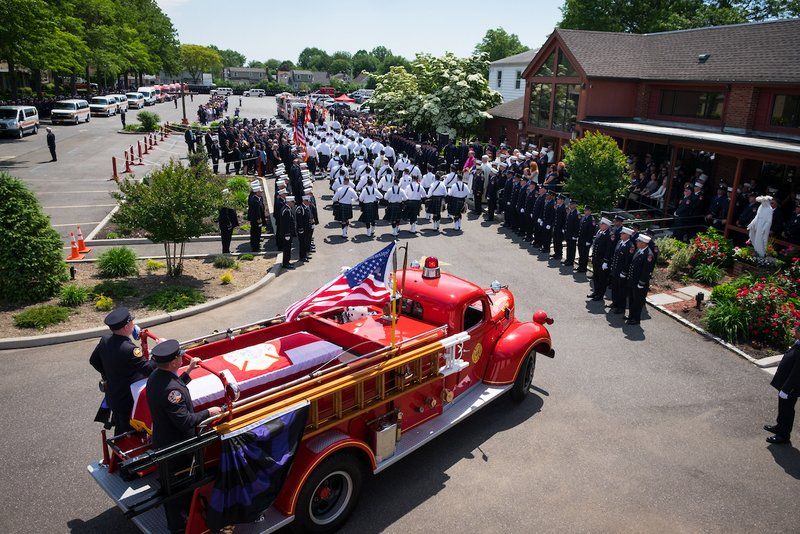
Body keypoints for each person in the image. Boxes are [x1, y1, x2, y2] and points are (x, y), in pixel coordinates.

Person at [146, 339, 222, 534]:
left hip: (164, 440)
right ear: (172, 363)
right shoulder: (172, 390)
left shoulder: (156, 376)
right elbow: (185, 421)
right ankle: (179, 527)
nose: (182, 357)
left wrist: (188, 371)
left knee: (171, 484)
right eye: (179, 356)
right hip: (177, 447)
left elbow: (171, 390)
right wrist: (209, 412)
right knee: (178, 487)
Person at [89, 307, 155, 435]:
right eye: (131, 322)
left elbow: (94, 361)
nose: (133, 325)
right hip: (128, 399)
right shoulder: (130, 349)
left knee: (120, 430)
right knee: (131, 435)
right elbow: (149, 370)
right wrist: (160, 354)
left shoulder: (105, 340)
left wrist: (108, 375)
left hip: (114, 395)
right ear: (126, 327)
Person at [765, 326, 800, 444]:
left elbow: (797, 373)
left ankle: (784, 435)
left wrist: (787, 389)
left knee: (787, 410)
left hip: (791, 387)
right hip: (786, 384)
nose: (795, 331)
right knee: (782, 407)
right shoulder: (798, 342)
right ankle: (779, 427)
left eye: (797, 330)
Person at [626, 234, 654, 325]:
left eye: (638, 241)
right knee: (631, 299)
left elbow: (646, 271)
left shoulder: (648, 255)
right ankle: (631, 315)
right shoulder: (639, 250)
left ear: (644, 243)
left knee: (638, 301)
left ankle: (636, 319)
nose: (636, 242)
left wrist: (641, 283)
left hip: (639, 283)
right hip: (633, 280)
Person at [609, 227, 635, 314]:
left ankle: (621, 308)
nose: (620, 234)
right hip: (615, 270)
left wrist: (624, 272)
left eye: (623, 234)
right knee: (615, 288)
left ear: (628, 235)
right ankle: (615, 303)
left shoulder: (630, 246)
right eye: (621, 233)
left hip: (621, 273)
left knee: (622, 290)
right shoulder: (620, 242)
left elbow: (628, 261)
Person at [588, 217, 613, 301]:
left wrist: (605, 261)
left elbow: (609, 250)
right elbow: (596, 245)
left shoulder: (609, 235)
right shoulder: (600, 232)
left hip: (602, 261)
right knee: (596, 277)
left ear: (606, 225)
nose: (600, 225)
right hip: (596, 259)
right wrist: (592, 256)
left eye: (602, 224)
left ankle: (600, 295)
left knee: (602, 279)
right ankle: (596, 292)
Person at [247, 180, 267, 253]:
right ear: (257, 192)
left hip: (258, 220)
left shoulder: (258, 199)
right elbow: (256, 214)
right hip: (256, 221)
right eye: (260, 192)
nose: (261, 193)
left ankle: (257, 245)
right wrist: (259, 222)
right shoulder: (254, 201)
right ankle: (255, 248)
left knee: (257, 233)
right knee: (255, 234)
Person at [217, 190, 239, 254]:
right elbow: (224, 215)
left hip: (227, 224)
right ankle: (226, 251)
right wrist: (229, 224)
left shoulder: (226, 202)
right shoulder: (224, 203)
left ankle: (227, 250)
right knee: (226, 238)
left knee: (227, 238)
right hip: (226, 225)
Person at [279, 198, 297, 269]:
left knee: (287, 248)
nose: (293, 204)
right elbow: (286, 224)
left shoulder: (286, 209)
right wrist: (287, 234)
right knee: (287, 249)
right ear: (289, 202)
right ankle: (286, 263)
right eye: (292, 202)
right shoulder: (286, 211)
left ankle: (287, 262)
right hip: (287, 234)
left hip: (287, 233)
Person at [563, 199, 580, 267]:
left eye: (572, 204)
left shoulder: (577, 213)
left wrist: (575, 235)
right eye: (570, 204)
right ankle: (568, 259)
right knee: (568, 247)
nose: (570, 205)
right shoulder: (570, 212)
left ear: (575, 205)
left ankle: (570, 261)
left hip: (573, 234)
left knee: (572, 248)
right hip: (568, 233)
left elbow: (577, 226)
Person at [551, 194, 567, 259]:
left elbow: (565, 219)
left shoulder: (564, 208)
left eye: (558, 199)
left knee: (559, 241)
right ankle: (556, 253)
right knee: (555, 240)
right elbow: (555, 217)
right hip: (556, 226)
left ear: (562, 200)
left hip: (560, 228)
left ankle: (559, 254)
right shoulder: (558, 207)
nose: (557, 200)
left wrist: (563, 228)